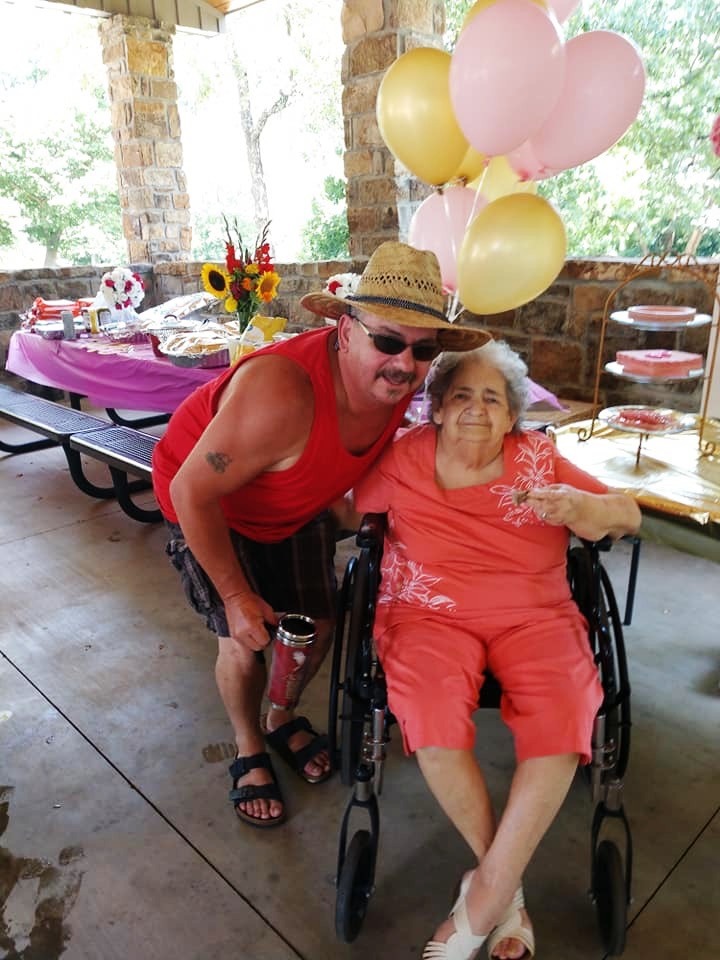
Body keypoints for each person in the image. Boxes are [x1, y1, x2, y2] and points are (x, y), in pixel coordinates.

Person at [150, 241, 490, 829]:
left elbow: (348, 467)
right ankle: (249, 746)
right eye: (389, 341)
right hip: (213, 507)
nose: (405, 365)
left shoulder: (396, 384)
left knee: (319, 625)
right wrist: (235, 594)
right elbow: (191, 491)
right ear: (345, 330)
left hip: (291, 502)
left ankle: (280, 717)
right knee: (245, 640)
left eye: (423, 349)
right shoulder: (280, 394)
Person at [346, 340, 641, 959]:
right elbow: (352, 512)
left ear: (512, 415)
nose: (476, 410)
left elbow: (627, 515)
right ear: (437, 409)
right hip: (427, 613)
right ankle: (504, 894)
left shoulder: (539, 458)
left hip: (535, 614)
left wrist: (582, 507)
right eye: (461, 396)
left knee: (563, 711)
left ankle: (481, 901)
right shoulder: (404, 456)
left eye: (492, 399)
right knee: (429, 711)